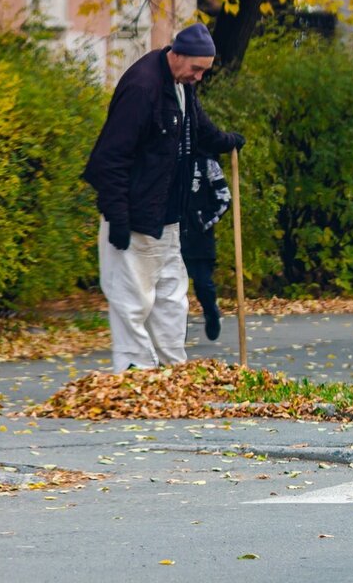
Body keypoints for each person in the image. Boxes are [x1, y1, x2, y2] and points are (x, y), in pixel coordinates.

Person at [84, 23, 244, 372]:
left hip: (168, 215)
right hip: (134, 215)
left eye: (204, 70)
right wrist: (118, 217)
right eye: (196, 68)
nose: (199, 77)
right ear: (177, 54)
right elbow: (110, 158)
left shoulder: (180, 85)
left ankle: (174, 371)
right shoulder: (143, 88)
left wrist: (225, 141)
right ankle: (136, 373)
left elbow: (196, 127)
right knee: (132, 300)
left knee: (171, 299)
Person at [181, 152, 232, 342]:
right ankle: (176, 330)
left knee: (203, 283)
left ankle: (211, 312)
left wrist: (203, 220)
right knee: (172, 287)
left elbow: (224, 198)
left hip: (199, 237)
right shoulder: (170, 156)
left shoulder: (207, 163)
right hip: (173, 233)